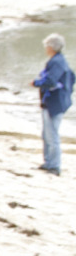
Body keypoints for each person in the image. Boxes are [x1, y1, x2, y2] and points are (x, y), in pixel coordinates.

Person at [32, 32, 72, 175]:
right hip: (55, 102)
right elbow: (71, 78)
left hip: (54, 103)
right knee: (47, 133)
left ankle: (54, 165)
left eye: (47, 45)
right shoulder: (59, 60)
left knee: (51, 134)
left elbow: (51, 81)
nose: (45, 48)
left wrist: (36, 83)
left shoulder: (56, 62)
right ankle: (49, 162)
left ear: (51, 47)